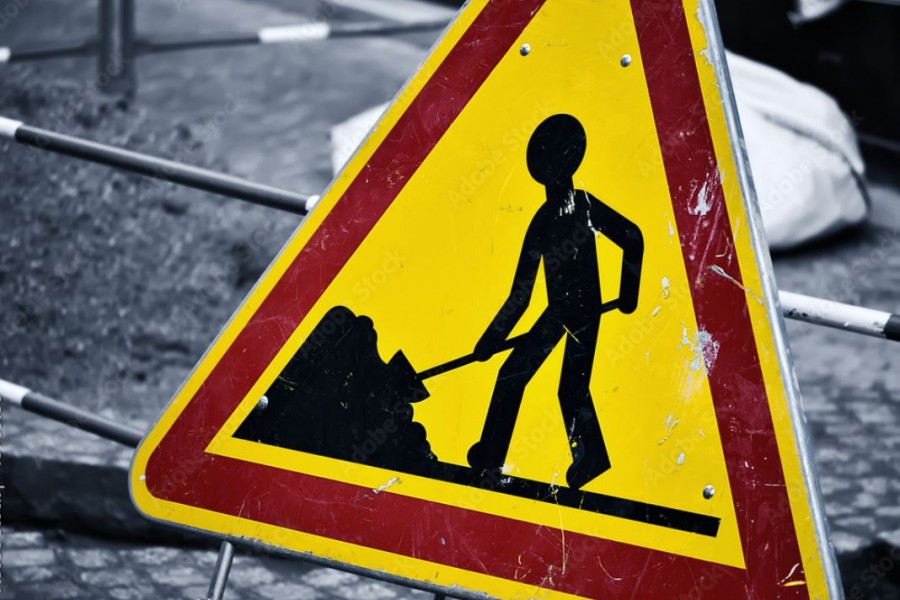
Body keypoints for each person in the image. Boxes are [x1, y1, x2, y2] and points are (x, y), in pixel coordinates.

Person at [467, 114, 643, 490]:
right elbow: (521, 294)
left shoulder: (583, 206)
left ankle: (589, 458)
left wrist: (629, 295)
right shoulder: (546, 219)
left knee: (569, 388)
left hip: (584, 312)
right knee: (514, 377)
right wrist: (490, 340)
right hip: (559, 312)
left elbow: (633, 236)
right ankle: (491, 457)